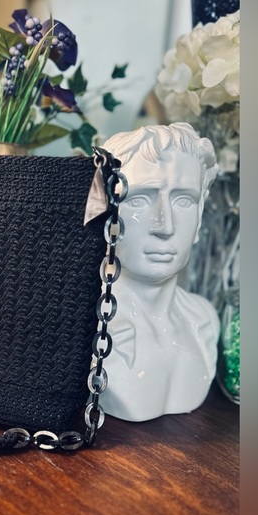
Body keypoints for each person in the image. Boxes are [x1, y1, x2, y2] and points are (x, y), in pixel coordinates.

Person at [98, 122, 220, 422]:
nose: (165, 226)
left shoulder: (204, 320)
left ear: (199, 216)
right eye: (139, 199)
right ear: (105, 211)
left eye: (183, 200)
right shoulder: (86, 329)